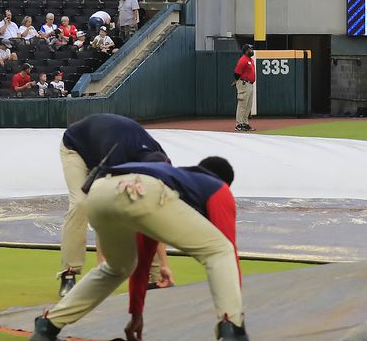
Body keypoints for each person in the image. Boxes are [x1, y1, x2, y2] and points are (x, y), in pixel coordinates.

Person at [30, 156, 249, 341]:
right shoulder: (217, 187)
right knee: (220, 251)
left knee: (117, 267)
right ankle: (233, 329)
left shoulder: (175, 182)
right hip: (143, 189)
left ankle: (47, 326)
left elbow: (142, 261)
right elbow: (228, 251)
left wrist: (136, 313)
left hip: (99, 191)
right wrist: (235, 312)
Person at [56, 114, 168, 297]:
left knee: (143, 210)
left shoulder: (161, 161)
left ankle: (154, 277)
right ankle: (69, 273)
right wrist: (102, 268)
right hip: (76, 146)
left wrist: (164, 266)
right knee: (82, 203)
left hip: (104, 142)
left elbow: (154, 217)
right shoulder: (119, 159)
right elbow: (102, 208)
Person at [233, 44, 256, 132]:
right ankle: (239, 124)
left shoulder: (250, 60)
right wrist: (237, 81)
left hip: (249, 84)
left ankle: (245, 123)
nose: (252, 50)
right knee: (242, 104)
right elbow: (236, 73)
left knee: (248, 105)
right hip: (244, 83)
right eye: (250, 49)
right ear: (246, 50)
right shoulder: (243, 60)